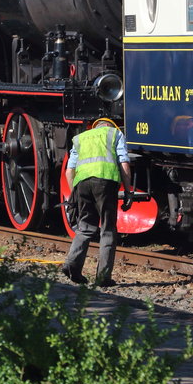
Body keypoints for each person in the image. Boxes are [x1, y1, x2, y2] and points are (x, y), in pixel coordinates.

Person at [61, 117, 132, 287]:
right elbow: (124, 163)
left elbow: (69, 171)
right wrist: (128, 191)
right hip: (105, 182)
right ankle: (103, 277)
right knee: (107, 230)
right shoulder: (115, 134)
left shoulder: (80, 138)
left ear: (95, 127)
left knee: (85, 227)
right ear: (109, 126)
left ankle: (72, 266)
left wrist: (74, 195)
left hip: (82, 184)